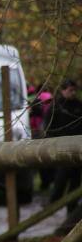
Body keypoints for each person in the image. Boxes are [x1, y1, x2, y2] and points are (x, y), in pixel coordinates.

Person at [45, 79, 82, 213]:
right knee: (60, 180)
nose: (72, 93)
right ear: (63, 90)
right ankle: (52, 206)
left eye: (74, 90)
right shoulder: (55, 107)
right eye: (70, 90)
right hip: (61, 149)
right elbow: (48, 127)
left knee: (75, 182)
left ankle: (71, 209)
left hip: (77, 149)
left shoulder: (79, 106)